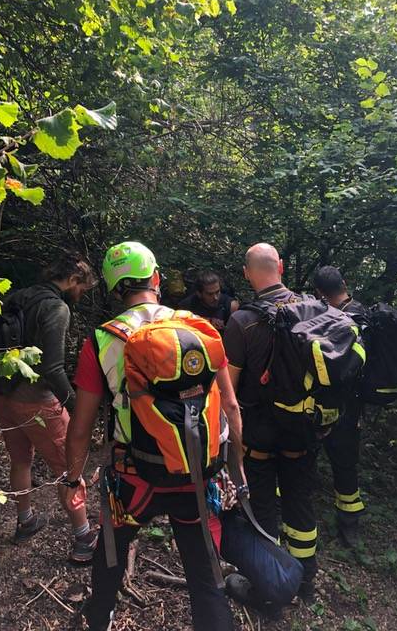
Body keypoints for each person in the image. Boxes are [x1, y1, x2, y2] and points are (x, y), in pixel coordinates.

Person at [65, 241, 243, 631]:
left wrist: (72, 478)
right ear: (157, 279)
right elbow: (230, 407)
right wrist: (236, 474)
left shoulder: (101, 341)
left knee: (110, 554)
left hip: (133, 479)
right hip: (194, 474)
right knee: (204, 575)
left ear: (115, 291)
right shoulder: (198, 329)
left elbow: (80, 429)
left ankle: (100, 617)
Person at [223, 243, 318, 603]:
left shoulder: (241, 322)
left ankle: (269, 586)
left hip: (258, 432)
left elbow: (229, 391)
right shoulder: (313, 310)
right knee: (299, 501)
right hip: (302, 426)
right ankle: (306, 580)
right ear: (279, 265)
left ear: (248, 273)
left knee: (262, 507)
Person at [0, 252, 98, 562]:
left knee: (20, 460)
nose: (81, 295)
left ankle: (25, 520)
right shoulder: (56, 307)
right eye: (83, 288)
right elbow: (52, 368)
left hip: (2, 394)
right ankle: (83, 539)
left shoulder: (19, 295)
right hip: (35, 401)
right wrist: (77, 406)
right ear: (73, 280)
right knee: (69, 467)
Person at [313, 266, 367, 547]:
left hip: (323, 405)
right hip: (351, 409)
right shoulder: (364, 315)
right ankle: (350, 527)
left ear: (320, 293)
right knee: (346, 466)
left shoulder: (325, 320)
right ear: (344, 283)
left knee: (305, 457)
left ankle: (294, 515)